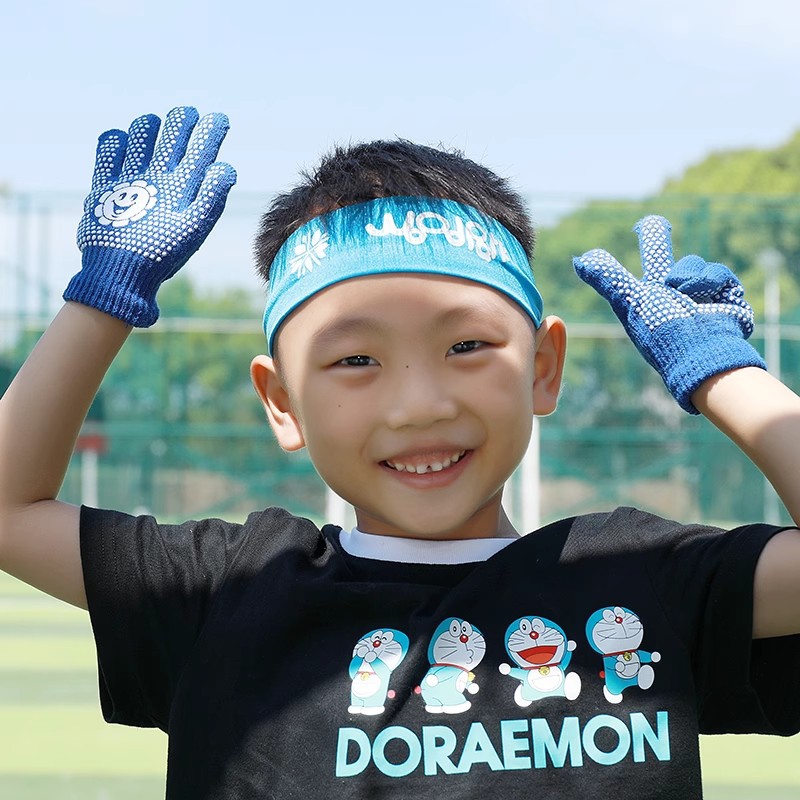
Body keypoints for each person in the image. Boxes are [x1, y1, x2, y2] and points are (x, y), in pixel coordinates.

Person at [0, 106, 799, 800]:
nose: (419, 405)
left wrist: (723, 372)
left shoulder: (642, 582)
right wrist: (103, 295)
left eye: (467, 345)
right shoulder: (229, 590)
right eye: (356, 360)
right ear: (282, 403)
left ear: (542, 369)